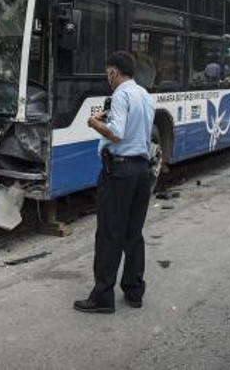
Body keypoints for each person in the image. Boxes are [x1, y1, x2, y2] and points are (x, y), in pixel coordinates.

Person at [74, 51, 155, 313]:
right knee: (133, 233)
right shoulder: (143, 94)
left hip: (119, 173)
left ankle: (103, 297)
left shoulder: (120, 94)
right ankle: (134, 291)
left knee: (109, 234)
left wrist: (93, 123)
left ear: (114, 73)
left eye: (107, 73)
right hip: (142, 171)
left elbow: (117, 134)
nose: (107, 78)